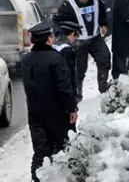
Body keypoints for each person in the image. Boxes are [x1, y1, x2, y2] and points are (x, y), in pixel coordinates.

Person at [22, 20, 78, 182]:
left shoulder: (26, 60)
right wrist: (71, 109)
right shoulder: (56, 59)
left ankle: (37, 178)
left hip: (35, 113)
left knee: (40, 151)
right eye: (51, 36)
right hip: (57, 113)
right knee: (61, 147)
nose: (53, 38)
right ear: (48, 39)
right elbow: (64, 89)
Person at [53, 0, 111, 98]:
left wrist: (104, 24)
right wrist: (66, 34)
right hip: (79, 42)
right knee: (78, 69)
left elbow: (102, 12)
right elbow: (57, 22)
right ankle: (77, 94)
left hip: (95, 38)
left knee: (104, 57)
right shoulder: (68, 4)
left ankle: (103, 87)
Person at [52, 20, 83, 132]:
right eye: (76, 36)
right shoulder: (67, 50)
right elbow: (70, 77)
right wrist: (72, 104)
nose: (75, 40)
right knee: (68, 132)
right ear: (72, 34)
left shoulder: (54, 45)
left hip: (51, 96)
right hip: (64, 98)